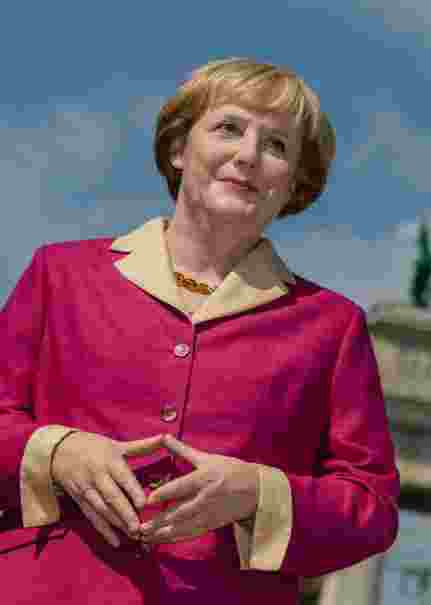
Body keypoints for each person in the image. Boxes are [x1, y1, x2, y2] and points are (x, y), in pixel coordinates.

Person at [0, 58, 400, 603]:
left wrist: (254, 494)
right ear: (178, 149)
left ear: (295, 185)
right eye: (228, 128)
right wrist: (58, 452)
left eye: (277, 146)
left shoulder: (333, 327)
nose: (249, 156)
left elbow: (370, 507)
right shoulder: (60, 275)